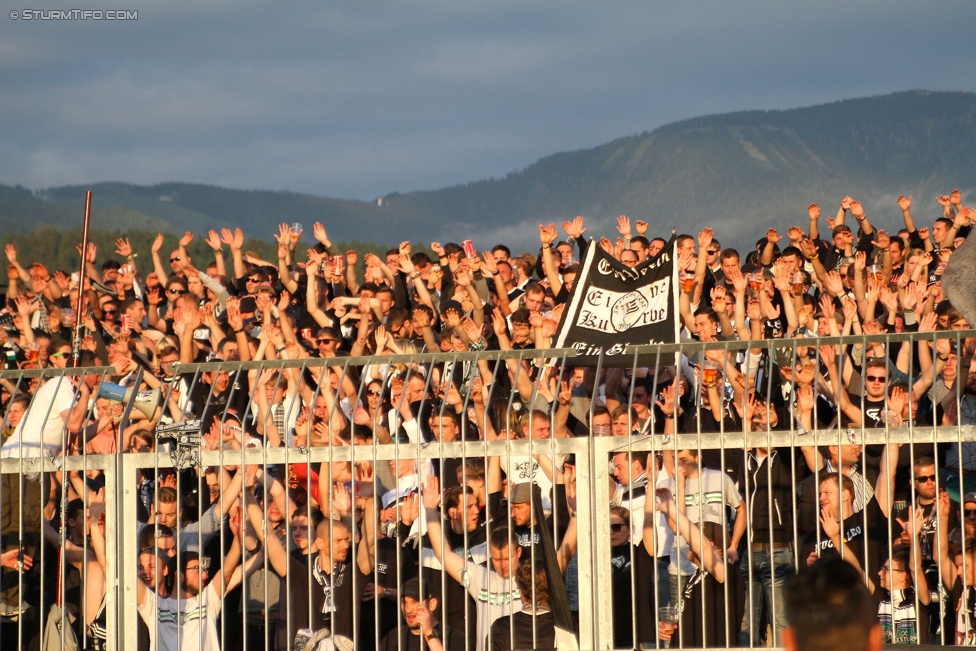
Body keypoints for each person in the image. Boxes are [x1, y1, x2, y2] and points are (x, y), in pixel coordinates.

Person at [378, 577, 465, 651]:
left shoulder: (453, 637)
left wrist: (429, 633)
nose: (408, 610)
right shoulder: (395, 636)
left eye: (415, 602)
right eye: (405, 603)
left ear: (432, 604)